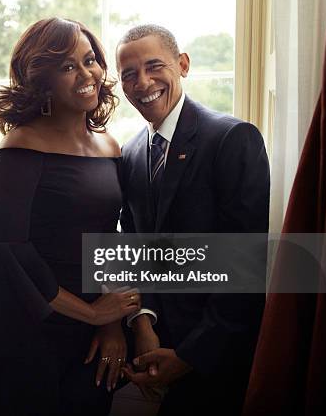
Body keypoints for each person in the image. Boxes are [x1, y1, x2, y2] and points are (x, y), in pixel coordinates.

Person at [0, 17, 141, 416]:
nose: (85, 74)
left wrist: (110, 322)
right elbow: (11, 251)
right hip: (24, 324)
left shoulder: (110, 146)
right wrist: (92, 312)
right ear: (41, 80)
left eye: (89, 59)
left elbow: (110, 237)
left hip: (89, 330)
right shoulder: (21, 144)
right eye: (67, 66)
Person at [115, 24, 270, 415]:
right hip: (149, 350)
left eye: (154, 66)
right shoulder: (130, 154)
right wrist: (143, 325)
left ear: (182, 64)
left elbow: (246, 268)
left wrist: (187, 356)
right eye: (129, 74)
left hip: (216, 361)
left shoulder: (234, 138)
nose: (143, 82)